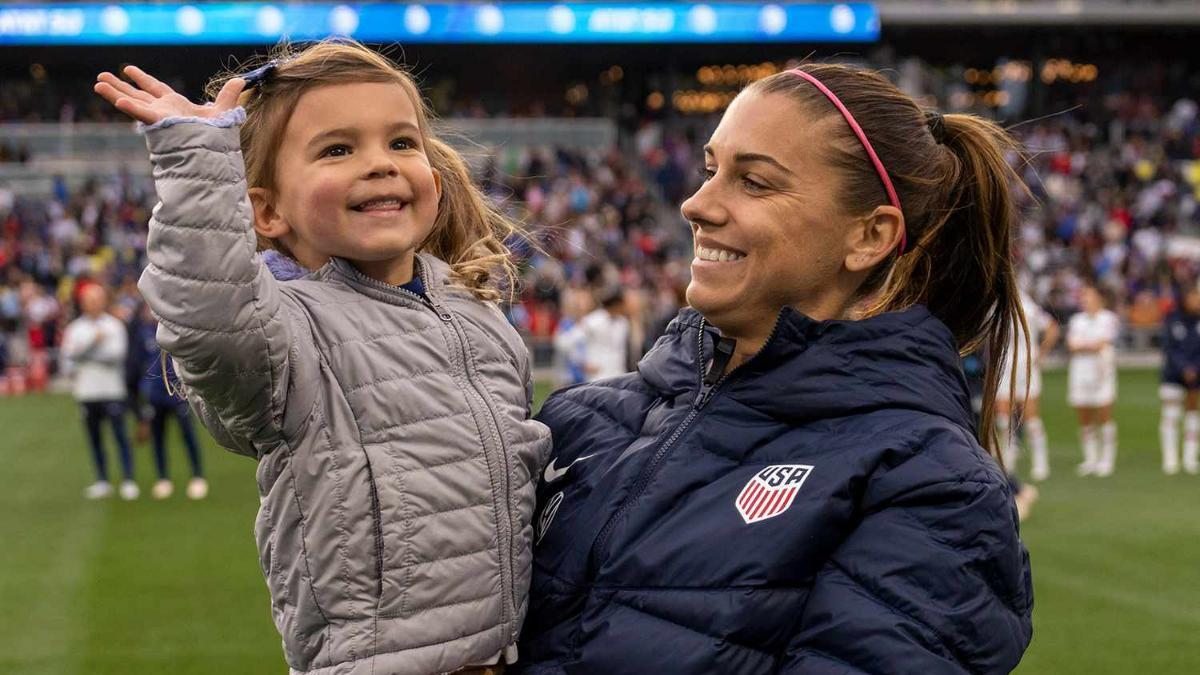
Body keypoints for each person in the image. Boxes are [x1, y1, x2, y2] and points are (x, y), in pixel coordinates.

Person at [518, 64, 1033, 673]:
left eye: (754, 182)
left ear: (870, 235)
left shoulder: (928, 484)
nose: (696, 204)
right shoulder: (580, 421)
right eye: (711, 170)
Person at [94, 39, 550, 675]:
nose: (379, 165)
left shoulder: (481, 319)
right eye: (337, 149)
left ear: (435, 185)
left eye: (401, 143)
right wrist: (201, 160)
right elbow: (211, 321)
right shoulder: (288, 332)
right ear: (268, 211)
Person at [61, 285, 138, 500]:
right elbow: (68, 359)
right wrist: (92, 343)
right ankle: (102, 480)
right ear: (83, 303)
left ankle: (128, 479)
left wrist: (82, 354)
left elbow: (115, 355)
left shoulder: (114, 326)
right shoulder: (75, 329)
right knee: (95, 439)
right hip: (87, 392)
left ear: (104, 300)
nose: (93, 303)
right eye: (89, 299)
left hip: (111, 390)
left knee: (120, 436)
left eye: (97, 299)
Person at [128, 303, 208, 499]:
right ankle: (163, 478)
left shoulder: (178, 329)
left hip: (178, 392)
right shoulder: (143, 333)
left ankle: (198, 476)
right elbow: (137, 364)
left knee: (187, 435)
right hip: (155, 394)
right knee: (158, 437)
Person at [996, 290, 1060, 481]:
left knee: (1031, 418)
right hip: (1004, 366)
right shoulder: (995, 305)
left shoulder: (1027, 307)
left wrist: (1040, 353)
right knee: (1002, 418)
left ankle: (1040, 463)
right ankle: (1007, 462)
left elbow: (1052, 327)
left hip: (1025, 367)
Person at [1067, 285, 1120, 477]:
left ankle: (1107, 459)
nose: (1085, 300)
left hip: (1102, 373)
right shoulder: (1076, 320)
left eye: (1088, 296)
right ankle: (1091, 458)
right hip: (1080, 373)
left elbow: (1103, 342)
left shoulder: (1109, 318)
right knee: (1084, 417)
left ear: (1099, 298)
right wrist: (1090, 345)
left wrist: (1084, 345)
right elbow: (1071, 344)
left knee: (1104, 416)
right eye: (1083, 296)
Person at [1159, 287, 1200, 474]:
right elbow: (1169, 347)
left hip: (1196, 375)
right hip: (1173, 374)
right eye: (1193, 296)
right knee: (1171, 414)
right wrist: (1183, 368)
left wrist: (1194, 369)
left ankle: (1190, 457)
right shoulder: (1172, 319)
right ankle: (1170, 457)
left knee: (1193, 413)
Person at [578, 288, 630, 381]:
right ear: (615, 304)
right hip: (598, 375)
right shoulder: (592, 321)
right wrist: (582, 362)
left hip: (618, 373)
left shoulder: (623, 323)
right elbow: (573, 342)